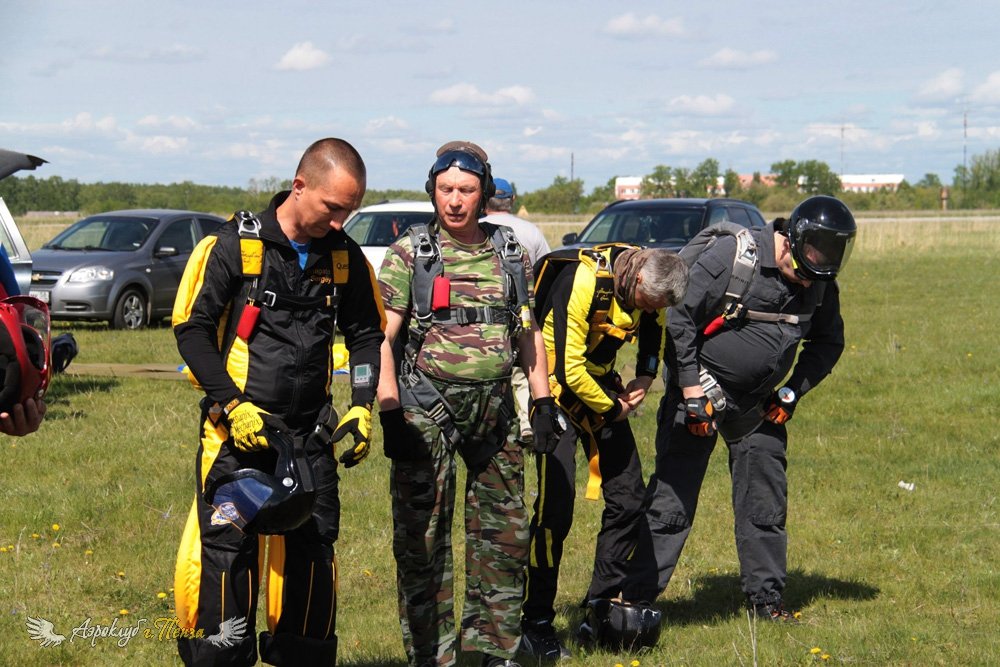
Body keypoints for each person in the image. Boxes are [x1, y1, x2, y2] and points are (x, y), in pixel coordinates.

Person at [171, 138, 386, 666]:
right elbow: (192, 331)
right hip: (236, 436)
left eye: (349, 211)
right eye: (332, 208)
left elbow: (365, 335)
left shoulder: (345, 258)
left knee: (314, 554)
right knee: (227, 553)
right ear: (299, 186)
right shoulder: (231, 247)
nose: (340, 222)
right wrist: (231, 404)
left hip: (309, 438)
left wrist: (361, 404)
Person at [620, 195, 856, 623]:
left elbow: (828, 342)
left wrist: (793, 392)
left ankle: (766, 602)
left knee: (765, 502)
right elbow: (679, 319)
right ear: (788, 243)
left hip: (759, 407)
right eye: (802, 276)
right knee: (672, 500)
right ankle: (637, 600)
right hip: (700, 397)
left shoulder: (819, 279)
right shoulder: (732, 256)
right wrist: (692, 392)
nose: (806, 286)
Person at [376, 141, 560, 667]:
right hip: (425, 411)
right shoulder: (411, 254)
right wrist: (389, 411)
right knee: (422, 540)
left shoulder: (510, 253)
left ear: (485, 194)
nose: (455, 200)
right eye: (445, 189)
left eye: (467, 190)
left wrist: (542, 402)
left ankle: (492, 650)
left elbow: (528, 333)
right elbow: (383, 340)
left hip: (496, 411)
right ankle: (432, 656)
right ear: (432, 190)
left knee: (504, 537)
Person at [519, 245, 688, 659]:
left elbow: (653, 336)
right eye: (651, 303)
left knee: (629, 499)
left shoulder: (653, 287)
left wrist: (645, 380)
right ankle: (535, 620)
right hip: (554, 394)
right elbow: (565, 369)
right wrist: (614, 408)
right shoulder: (586, 280)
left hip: (598, 391)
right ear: (639, 281)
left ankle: (600, 605)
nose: (652, 311)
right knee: (555, 512)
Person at [481, 177, 551, 444]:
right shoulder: (531, 231)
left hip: (487, 313)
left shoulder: (479, 228)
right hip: (522, 309)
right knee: (524, 367)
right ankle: (526, 424)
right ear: (511, 201)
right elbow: (545, 267)